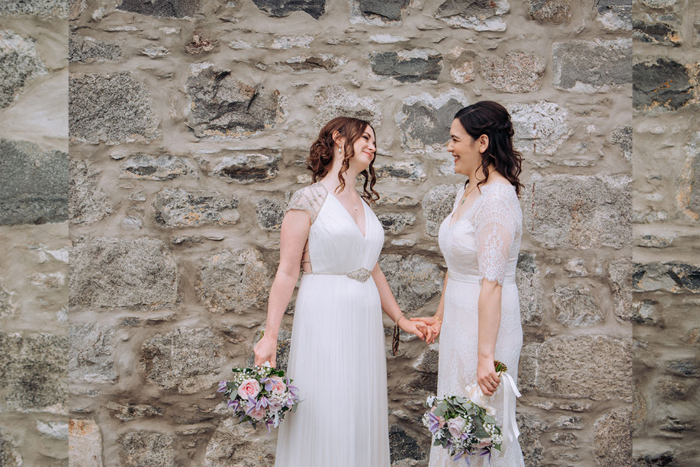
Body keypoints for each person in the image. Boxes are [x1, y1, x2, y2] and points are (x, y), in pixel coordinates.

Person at [254, 116, 431, 467]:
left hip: (363, 319)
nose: (372, 145)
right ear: (338, 139)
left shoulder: (363, 204)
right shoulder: (308, 199)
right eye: (365, 137)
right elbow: (287, 271)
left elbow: (371, 266)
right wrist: (269, 336)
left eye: (375, 141)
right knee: (326, 404)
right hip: (325, 312)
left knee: (357, 405)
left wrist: (401, 319)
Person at [412, 101, 525, 466]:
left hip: (486, 330)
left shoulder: (497, 200)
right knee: (457, 424)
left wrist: (485, 357)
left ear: (482, 143)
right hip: (460, 325)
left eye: (454, 139)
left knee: (481, 430)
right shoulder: (467, 189)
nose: (448, 147)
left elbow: (491, 283)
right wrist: (441, 318)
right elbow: (456, 265)